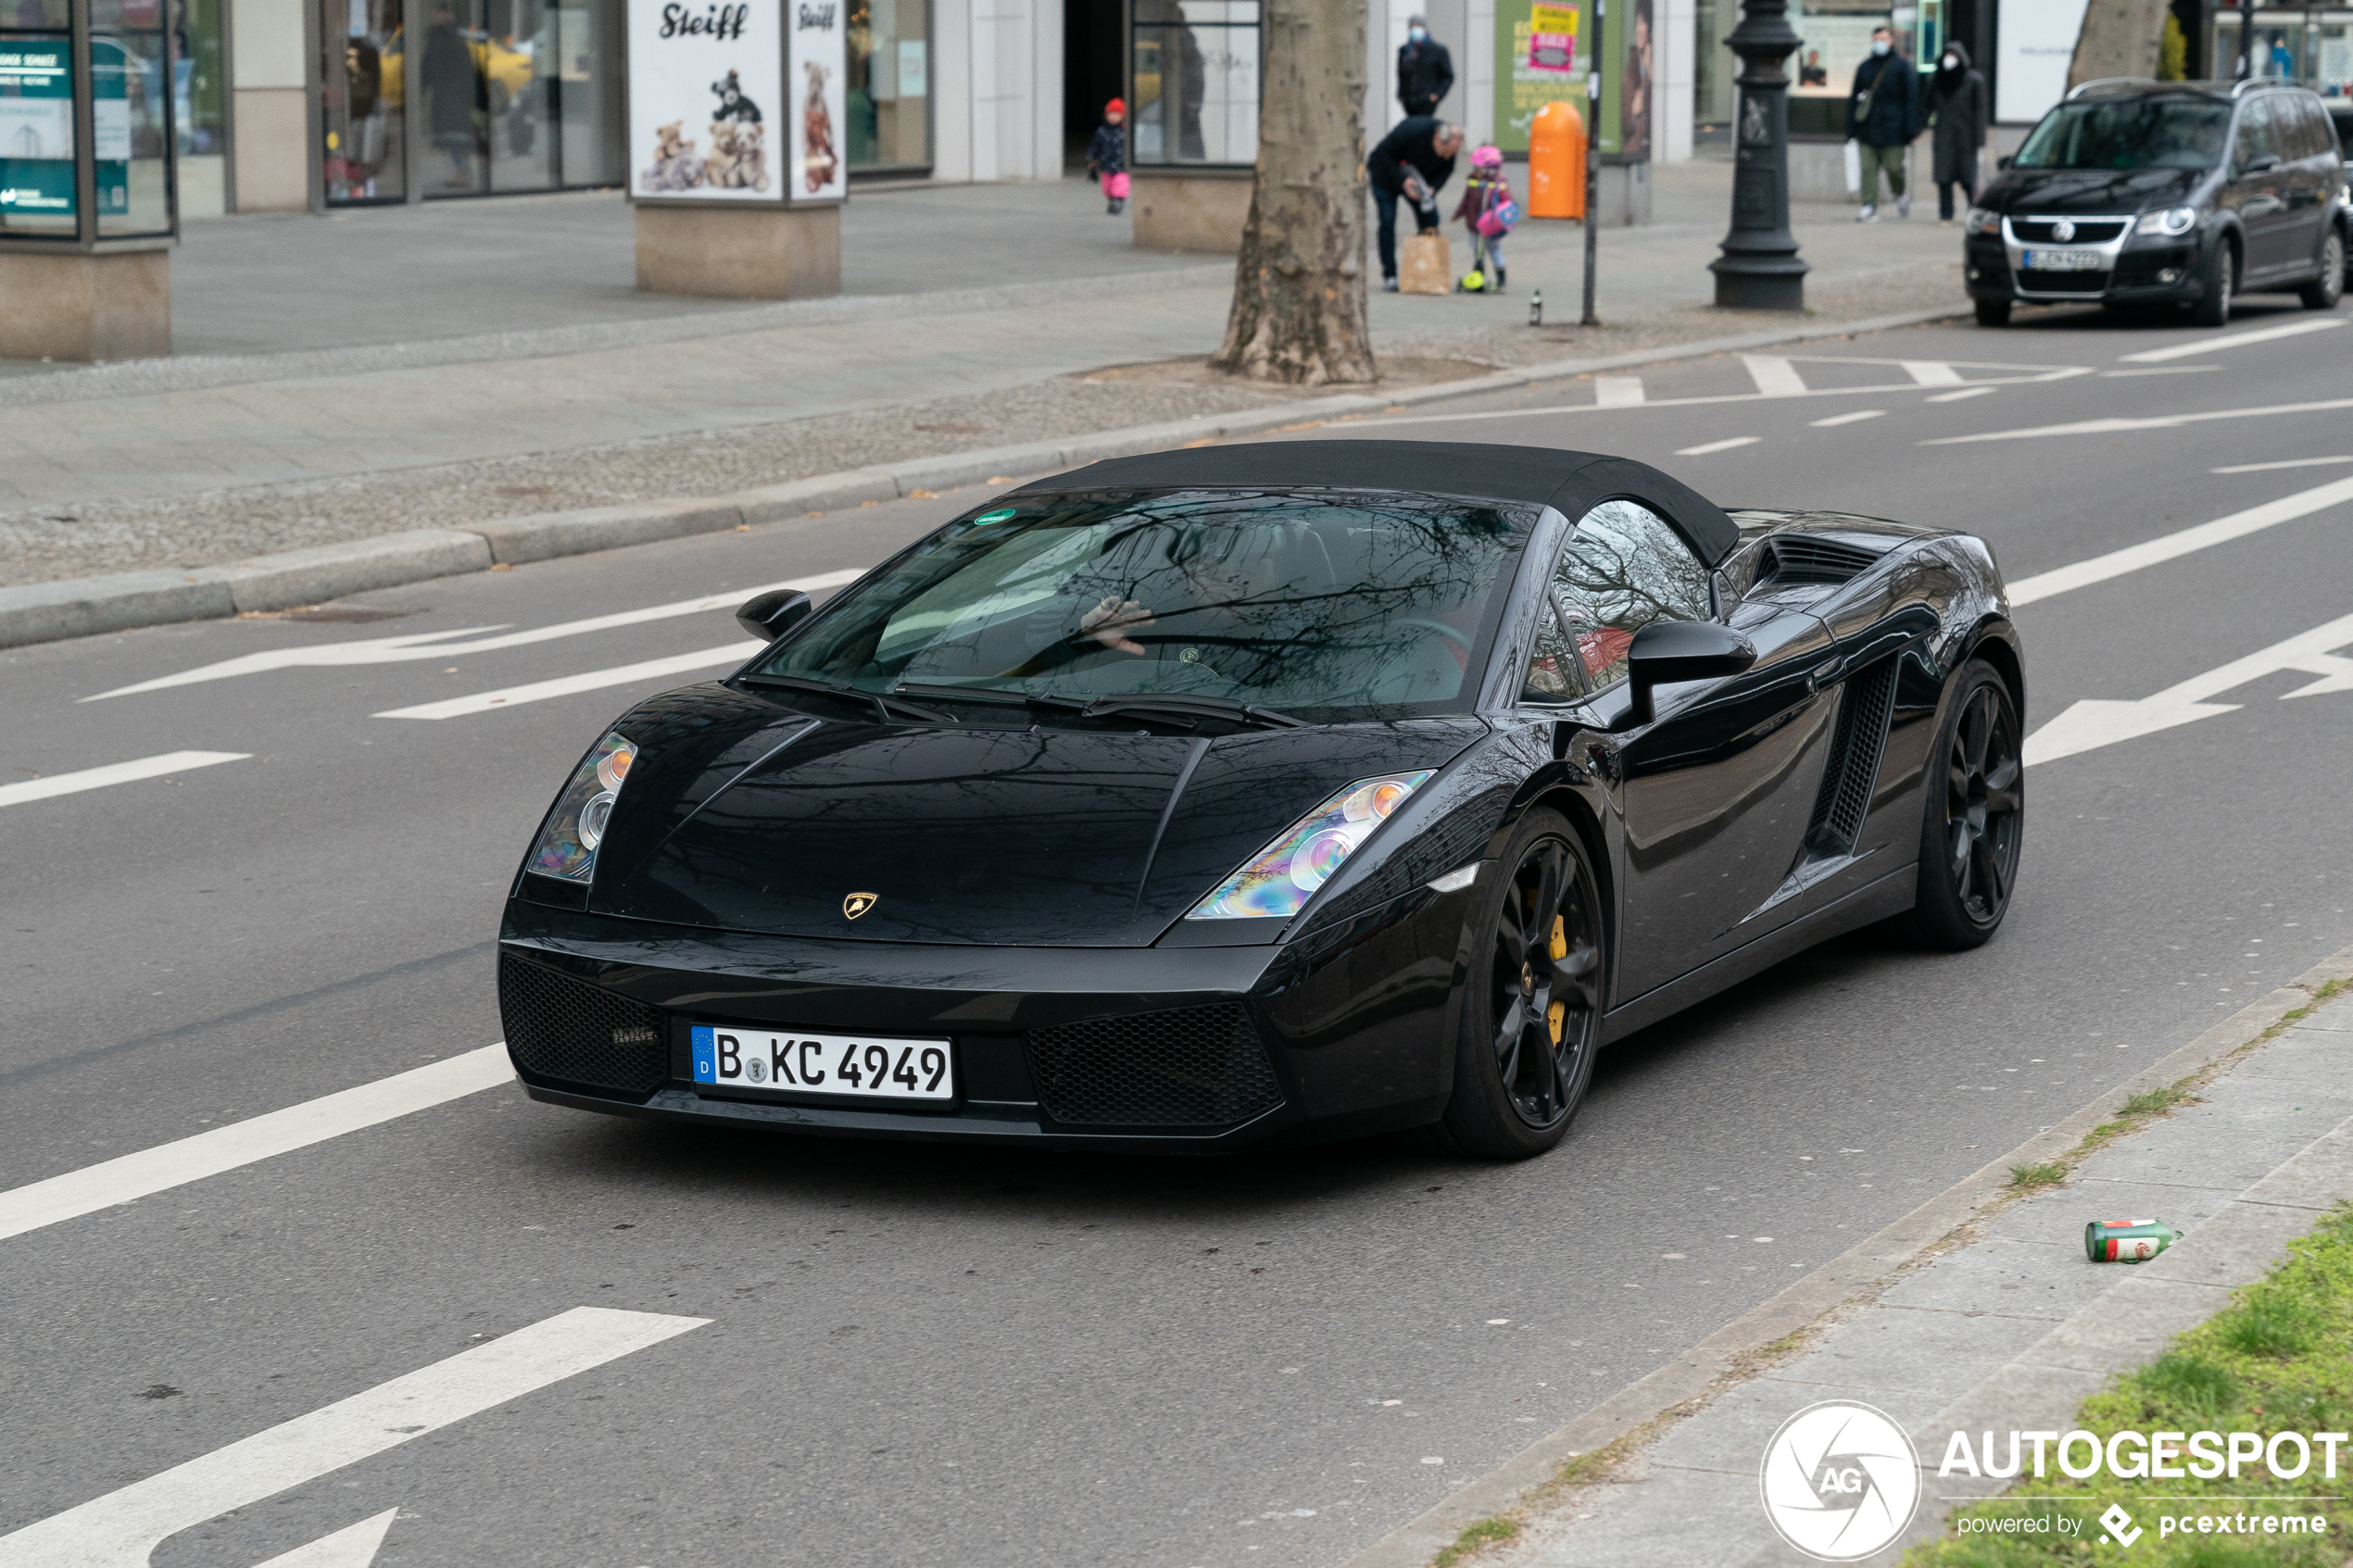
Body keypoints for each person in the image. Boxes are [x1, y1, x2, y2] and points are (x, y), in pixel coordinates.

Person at [1366, 116, 1463, 291]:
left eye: (1451, 154)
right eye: (1444, 152)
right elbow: (1382, 155)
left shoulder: (1450, 148)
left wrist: (1433, 188)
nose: (1445, 157)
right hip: (1386, 175)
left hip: (1417, 180)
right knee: (1387, 221)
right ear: (1437, 139)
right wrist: (1403, 181)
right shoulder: (1411, 130)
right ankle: (1390, 275)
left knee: (1430, 220)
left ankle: (1427, 269)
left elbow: (1446, 170)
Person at [1849, 24, 1922, 221]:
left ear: (1891, 42)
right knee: (1868, 169)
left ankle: (1900, 193)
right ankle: (1869, 206)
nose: (1878, 44)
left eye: (1882, 40)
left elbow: (1911, 98)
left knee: (1894, 168)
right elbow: (1854, 99)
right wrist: (1851, 129)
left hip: (1894, 129)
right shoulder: (1864, 67)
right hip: (1868, 127)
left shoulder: (1902, 67)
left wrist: (1912, 127)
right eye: (1875, 40)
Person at [421, 3, 480, 190]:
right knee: (448, 137)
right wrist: (421, 90)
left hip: (456, 95)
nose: (441, 16)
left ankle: (461, 172)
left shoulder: (455, 38)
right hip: (443, 94)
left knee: (456, 136)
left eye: (444, 13)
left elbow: (465, 68)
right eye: (438, 13)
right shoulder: (434, 37)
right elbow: (427, 67)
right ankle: (459, 172)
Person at [1927, 41, 1987, 225]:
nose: (1949, 60)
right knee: (1944, 178)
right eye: (1947, 55)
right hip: (1944, 135)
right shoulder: (1938, 79)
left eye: (1953, 55)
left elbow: (1980, 110)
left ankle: (1974, 212)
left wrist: (1979, 139)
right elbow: (1927, 104)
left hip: (1966, 137)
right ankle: (1946, 214)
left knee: (1969, 178)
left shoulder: (1974, 80)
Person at [1452, 144, 1516, 291]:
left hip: (1492, 225)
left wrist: (1506, 218)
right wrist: (1458, 213)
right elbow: (1466, 200)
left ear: (1491, 169)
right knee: (1476, 250)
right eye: (1475, 167)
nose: (1475, 170)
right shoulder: (1473, 181)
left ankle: (1501, 279)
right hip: (1475, 224)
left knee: (1494, 250)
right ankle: (1478, 275)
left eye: (1478, 167)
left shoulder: (1500, 183)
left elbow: (1507, 203)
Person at [1396, 15, 1454, 119]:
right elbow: (1401, 74)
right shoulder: (1405, 51)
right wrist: (1401, 95)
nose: (1414, 29)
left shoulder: (1438, 50)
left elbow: (1447, 76)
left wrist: (1437, 95)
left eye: (1417, 26)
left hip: (1427, 100)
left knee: (1423, 127)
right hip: (1409, 101)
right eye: (1412, 27)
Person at [1087, 98, 1129, 216]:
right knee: (1107, 188)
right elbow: (1095, 145)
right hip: (1105, 165)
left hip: (1122, 165)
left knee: (1119, 183)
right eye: (1111, 114)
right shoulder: (1101, 131)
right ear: (1106, 115)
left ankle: (1118, 201)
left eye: (1117, 114)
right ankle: (1112, 200)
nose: (1113, 117)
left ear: (1122, 116)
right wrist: (1092, 158)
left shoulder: (1125, 131)